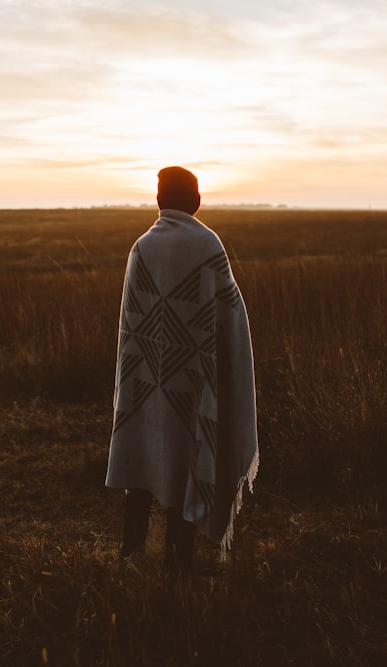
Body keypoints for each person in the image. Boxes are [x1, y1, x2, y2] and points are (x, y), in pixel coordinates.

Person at [106, 166, 259, 574]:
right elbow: (231, 317)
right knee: (187, 460)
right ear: (196, 201)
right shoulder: (208, 245)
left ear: (158, 201)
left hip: (145, 385)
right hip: (192, 383)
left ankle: (131, 556)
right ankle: (178, 564)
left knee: (140, 468)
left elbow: (131, 330)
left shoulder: (141, 247)